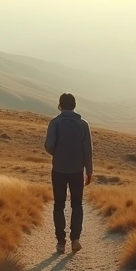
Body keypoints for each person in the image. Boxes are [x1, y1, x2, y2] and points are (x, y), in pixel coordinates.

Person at [44, 92, 93, 254]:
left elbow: (49, 145)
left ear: (60, 105)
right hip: (77, 170)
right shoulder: (83, 124)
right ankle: (75, 239)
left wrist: (58, 153)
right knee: (77, 204)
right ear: (74, 106)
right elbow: (88, 151)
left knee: (59, 204)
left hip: (58, 169)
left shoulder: (55, 123)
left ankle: (60, 242)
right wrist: (89, 171)